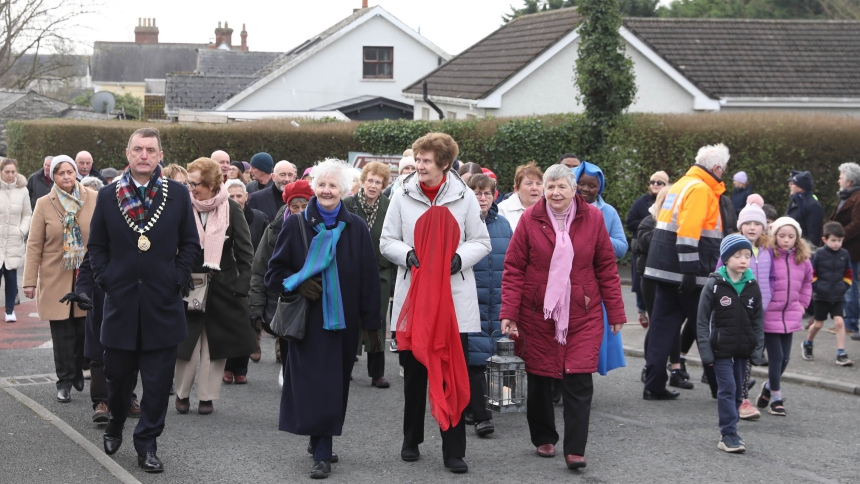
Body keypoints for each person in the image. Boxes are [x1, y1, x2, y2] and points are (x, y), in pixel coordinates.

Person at [87, 128, 200, 473]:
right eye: (138, 149)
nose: (144, 155)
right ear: (128, 153)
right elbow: (96, 248)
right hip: (121, 307)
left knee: (156, 387)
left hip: (162, 307)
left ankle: (147, 443)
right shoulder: (108, 196)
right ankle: (116, 422)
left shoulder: (178, 194)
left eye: (151, 149)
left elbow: (191, 246)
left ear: (159, 155)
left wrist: (176, 279)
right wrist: (109, 281)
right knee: (119, 380)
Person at [500, 164, 624, 470]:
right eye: (550, 187)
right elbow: (514, 268)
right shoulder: (530, 219)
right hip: (537, 312)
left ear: (574, 190)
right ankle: (544, 436)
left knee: (579, 378)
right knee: (541, 377)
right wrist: (509, 313)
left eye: (561, 187)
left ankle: (575, 450)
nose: (555, 193)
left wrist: (617, 311)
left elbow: (607, 267)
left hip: (583, 310)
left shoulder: (593, 218)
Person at [380, 133, 491, 474]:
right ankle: (411, 439)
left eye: (426, 160)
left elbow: (481, 240)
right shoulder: (402, 194)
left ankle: (453, 450)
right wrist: (408, 254)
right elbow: (387, 240)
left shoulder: (463, 197)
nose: (420, 166)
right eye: (418, 159)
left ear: (444, 164)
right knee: (414, 375)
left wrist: (458, 259)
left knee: (450, 374)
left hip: (453, 303)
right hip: (415, 300)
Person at [265, 158, 381, 480]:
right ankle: (322, 452)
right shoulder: (296, 224)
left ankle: (321, 437)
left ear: (344, 191)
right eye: (322, 185)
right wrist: (300, 282)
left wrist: (372, 327)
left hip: (345, 324)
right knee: (317, 386)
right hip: (309, 324)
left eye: (333, 185)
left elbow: (370, 279)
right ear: (314, 187)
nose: (327, 190)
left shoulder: (355, 227)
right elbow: (273, 275)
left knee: (337, 385)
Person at [643, 143, 728, 401]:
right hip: (690, 272)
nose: (723, 174)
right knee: (708, 329)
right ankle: (722, 387)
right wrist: (690, 271)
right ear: (715, 168)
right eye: (723, 170)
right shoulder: (701, 189)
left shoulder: (681, 184)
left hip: (664, 269)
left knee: (661, 328)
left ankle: (653, 384)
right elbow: (689, 231)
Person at [174, 158, 256, 415]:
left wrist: (242, 286)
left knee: (215, 345)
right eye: (189, 183)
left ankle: (207, 397)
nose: (191, 188)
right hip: (189, 284)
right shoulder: (182, 206)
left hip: (223, 287)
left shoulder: (232, 208)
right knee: (185, 344)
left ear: (211, 185)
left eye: (195, 184)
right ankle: (182, 394)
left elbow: (245, 251)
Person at [23, 155, 95, 403]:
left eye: (70, 172)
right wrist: (30, 281)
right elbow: (34, 244)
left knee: (84, 330)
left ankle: (77, 369)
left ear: (76, 174)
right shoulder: (44, 203)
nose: (66, 176)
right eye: (60, 173)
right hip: (56, 275)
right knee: (62, 332)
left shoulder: (93, 198)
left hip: (86, 273)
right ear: (53, 176)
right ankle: (64, 380)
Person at [696, 234, 764, 453]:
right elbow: (702, 320)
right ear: (726, 258)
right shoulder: (714, 284)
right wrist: (706, 352)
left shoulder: (753, 286)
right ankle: (728, 433)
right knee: (727, 389)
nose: (743, 260)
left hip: (743, 350)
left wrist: (757, 350)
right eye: (737, 255)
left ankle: (731, 429)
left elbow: (758, 322)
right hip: (721, 350)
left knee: (737, 394)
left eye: (747, 255)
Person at [715, 196, 772, 420]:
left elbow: (774, 278)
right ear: (740, 225)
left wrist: (769, 299)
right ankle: (736, 396)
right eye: (748, 223)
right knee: (732, 356)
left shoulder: (767, 250)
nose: (752, 227)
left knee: (747, 356)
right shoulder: (731, 247)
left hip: (755, 313)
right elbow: (718, 274)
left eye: (757, 223)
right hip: (730, 313)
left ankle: (743, 397)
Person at [249, 180, 313, 374]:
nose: (300, 211)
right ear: (288, 207)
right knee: (289, 355)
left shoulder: (322, 228)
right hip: (284, 302)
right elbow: (260, 268)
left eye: (305, 206)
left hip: (315, 300)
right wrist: (256, 306)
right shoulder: (275, 229)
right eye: (295, 207)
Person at [465, 173, 512, 438]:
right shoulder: (460, 223)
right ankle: (482, 416)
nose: (482, 198)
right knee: (474, 360)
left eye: (487, 193)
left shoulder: (504, 225)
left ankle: (474, 407)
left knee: (489, 359)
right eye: (476, 193)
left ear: (495, 195)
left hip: (497, 301)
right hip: (471, 300)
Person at [755, 217, 812, 417]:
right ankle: (776, 399)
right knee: (776, 357)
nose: (786, 240)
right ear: (774, 236)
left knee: (786, 358)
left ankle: (768, 389)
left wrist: (803, 304)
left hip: (791, 314)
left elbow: (807, 282)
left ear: (797, 238)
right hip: (770, 313)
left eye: (790, 236)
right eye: (782, 236)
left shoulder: (802, 259)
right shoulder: (768, 255)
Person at [74, 253, 141, 424]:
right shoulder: (103, 230)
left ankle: (128, 396)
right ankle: (101, 402)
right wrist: (82, 292)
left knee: (130, 352)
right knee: (98, 353)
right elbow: (87, 267)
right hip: (101, 300)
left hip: (131, 299)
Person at [343, 162, 393, 389]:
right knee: (349, 319)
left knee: (377, 321)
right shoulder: (348, 204)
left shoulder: (389, 206)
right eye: (370, 180)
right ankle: (344, 367)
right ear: (363, 182)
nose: (373, 186)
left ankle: (377, 373)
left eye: (378, 182)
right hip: (352, 271)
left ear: (384, 185)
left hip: (380, 272)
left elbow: (394, 238)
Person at [223, 178, 269, 384]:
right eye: (230, 196)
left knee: (246, 324)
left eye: (238, 196)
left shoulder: (259, 218)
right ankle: (226, 368)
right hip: (226, 276)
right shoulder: (219, 216)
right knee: (226, 325)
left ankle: (241, 368)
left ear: (246, 197)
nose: (235, 199)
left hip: (252, 275)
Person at [802, 221, 854, 366]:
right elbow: (811, 274)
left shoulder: (845, 254)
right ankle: (808, 343)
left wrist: (844, 287)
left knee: (839, 322)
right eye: (833, 240)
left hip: (838, 296)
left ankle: (841, 353)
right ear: (825, 239)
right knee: (818, 324)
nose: (837, 243)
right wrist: (817, 287)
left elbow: (849, 274)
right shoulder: (818, 254)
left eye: (839, 240)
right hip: (821, 296)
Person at [627, 171, 670, 327]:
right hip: (642, 249)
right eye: (653, 182)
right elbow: (630, 221)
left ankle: (656, 315)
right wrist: (646, 226)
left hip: (661, 255)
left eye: (659, 183)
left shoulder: (671, 203)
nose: (655, 185)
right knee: (640, 282)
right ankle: (642, 309)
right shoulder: (641, 203)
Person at [573, 161, 628, 258]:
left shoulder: (609, 211)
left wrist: (597, 236)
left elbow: (621, 249)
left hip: (597, 270)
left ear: (600, 187)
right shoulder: (566, 208)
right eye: (581, 184)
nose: (585, 189)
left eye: (592, 186)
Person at [830, 162, 860, 337]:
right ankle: (847, 321)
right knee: (848, 285)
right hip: (847, 248)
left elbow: (857, 224)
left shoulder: (857, 197)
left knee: (851, 286)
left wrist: (839, 237)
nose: (838, 180)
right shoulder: (847, 196)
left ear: (848, 182)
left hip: (852, 249)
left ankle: (851, 322)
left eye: (841, 177)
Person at [0, 159, 31, 322]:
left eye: (13, 172)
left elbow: (27, 213)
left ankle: (10, 310)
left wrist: (22, 231)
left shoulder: (23, 191)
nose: (11, 175)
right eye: (7, 172)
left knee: (11, 277)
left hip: (14, 239)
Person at [497, 161, 543, 230]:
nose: (535, 188)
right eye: (529, 184)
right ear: (517, 189)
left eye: (538, 184)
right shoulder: (502, 210)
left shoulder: (551, 209)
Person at [786, 170, 824, 246]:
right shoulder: (796, 201)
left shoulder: (813, 206)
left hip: (802, 251)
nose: (790, 186)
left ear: (800, 188)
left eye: (793, 184)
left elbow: (814, 236)